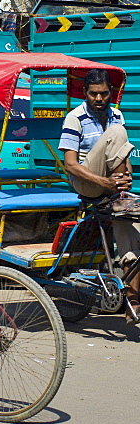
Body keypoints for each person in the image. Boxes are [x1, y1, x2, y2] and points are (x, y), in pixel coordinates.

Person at [59, 68, 140, 322]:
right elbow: (70, 164)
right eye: (93, 94)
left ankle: (132, 298)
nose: (99, 99)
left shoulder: (116, 113)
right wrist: (106, 181)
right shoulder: (75, 117)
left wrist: (126, 174)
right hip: (87, 182)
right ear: (85, 93)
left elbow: (123, 156)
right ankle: (120, 194)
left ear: (110, 93)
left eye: (104, 94)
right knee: (117, 132)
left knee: (130, 224)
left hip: (111, 187)